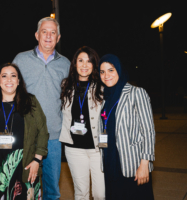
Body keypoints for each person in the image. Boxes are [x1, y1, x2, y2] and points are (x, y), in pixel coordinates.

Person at [12, 17, 70, 200]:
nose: (48, 36)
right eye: (44, 31)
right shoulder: (20, 59)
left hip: (54, 136)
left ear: (58, 37)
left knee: (52, 189)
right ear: (37, 35)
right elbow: (6, 87)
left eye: (53, 32)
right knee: (24, 187)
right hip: (26, 135)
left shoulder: (66, 64)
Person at [0, 63, 49, 200]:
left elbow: (42, 131)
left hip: (25, 168)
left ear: (18, 81)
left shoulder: (31, 102)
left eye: (13, 76)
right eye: (4, 76)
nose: (9, 80)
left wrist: (37, 160)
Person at [98, 54, 155, 200]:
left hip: (133, 165)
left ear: (119, 70)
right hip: (111, 164)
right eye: (102, 72)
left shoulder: (136, 93)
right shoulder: (104, 97)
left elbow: (148, 131)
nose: (106, 75)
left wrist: (145, 164)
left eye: (111, 70)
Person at [59, 46, 105, 200]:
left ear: (94, 65)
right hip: (74, 149)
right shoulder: (66, 85)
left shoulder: (101, 86)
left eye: (89, 61)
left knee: (100, 194)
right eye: (80, 61)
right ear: (74, 63)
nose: (84, 65)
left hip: (97, 149)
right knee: (81, 193)